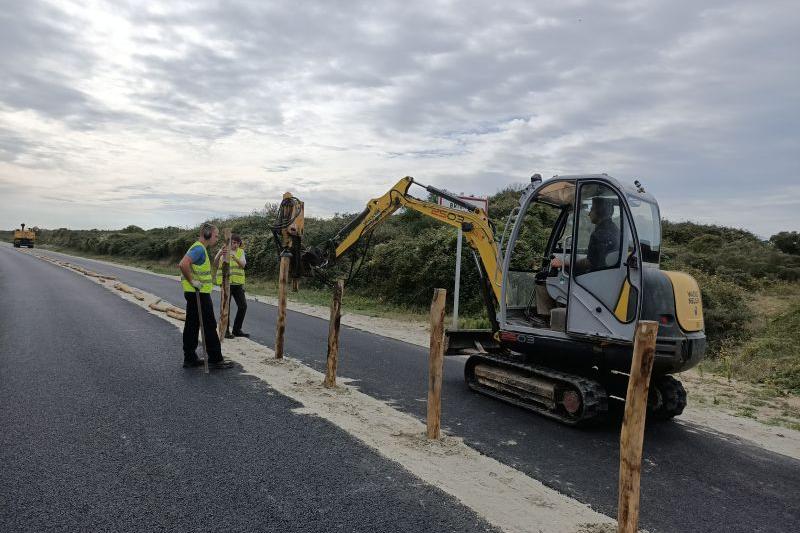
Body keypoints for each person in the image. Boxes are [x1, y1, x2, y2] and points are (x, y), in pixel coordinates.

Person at [177, 223, 234, 369]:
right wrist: (192, 281)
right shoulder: (198, 248)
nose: (216, 238)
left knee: (192, 325)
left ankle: (190, 358)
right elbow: (183, 264)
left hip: (195, 293)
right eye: (215, 235)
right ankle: (215, 358)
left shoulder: (199, 248)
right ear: (207, 235)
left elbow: (207, 268)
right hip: (198, 293)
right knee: (209, 325)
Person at [550, 196, 620, 275]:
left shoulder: (599, 234)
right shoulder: (614, 228)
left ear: (599, 211)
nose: (589, 214)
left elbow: (590, 263)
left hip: (597, 276)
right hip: (607, 273)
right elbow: (597, 258)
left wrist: (563, 263)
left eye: (591, 209)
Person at [214, 234, 249, 339]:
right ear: (230, 243)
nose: (236, 245)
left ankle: (237, 329)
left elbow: (243, 265)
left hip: (237, 284)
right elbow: (215, 264)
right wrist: (220, 253)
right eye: (234, 242)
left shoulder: (240, 252)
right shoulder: (223, 250)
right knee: (226, 307)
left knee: (243, 306)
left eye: (238, 243)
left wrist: (235, 257)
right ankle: (226, 331)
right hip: (226, 284)